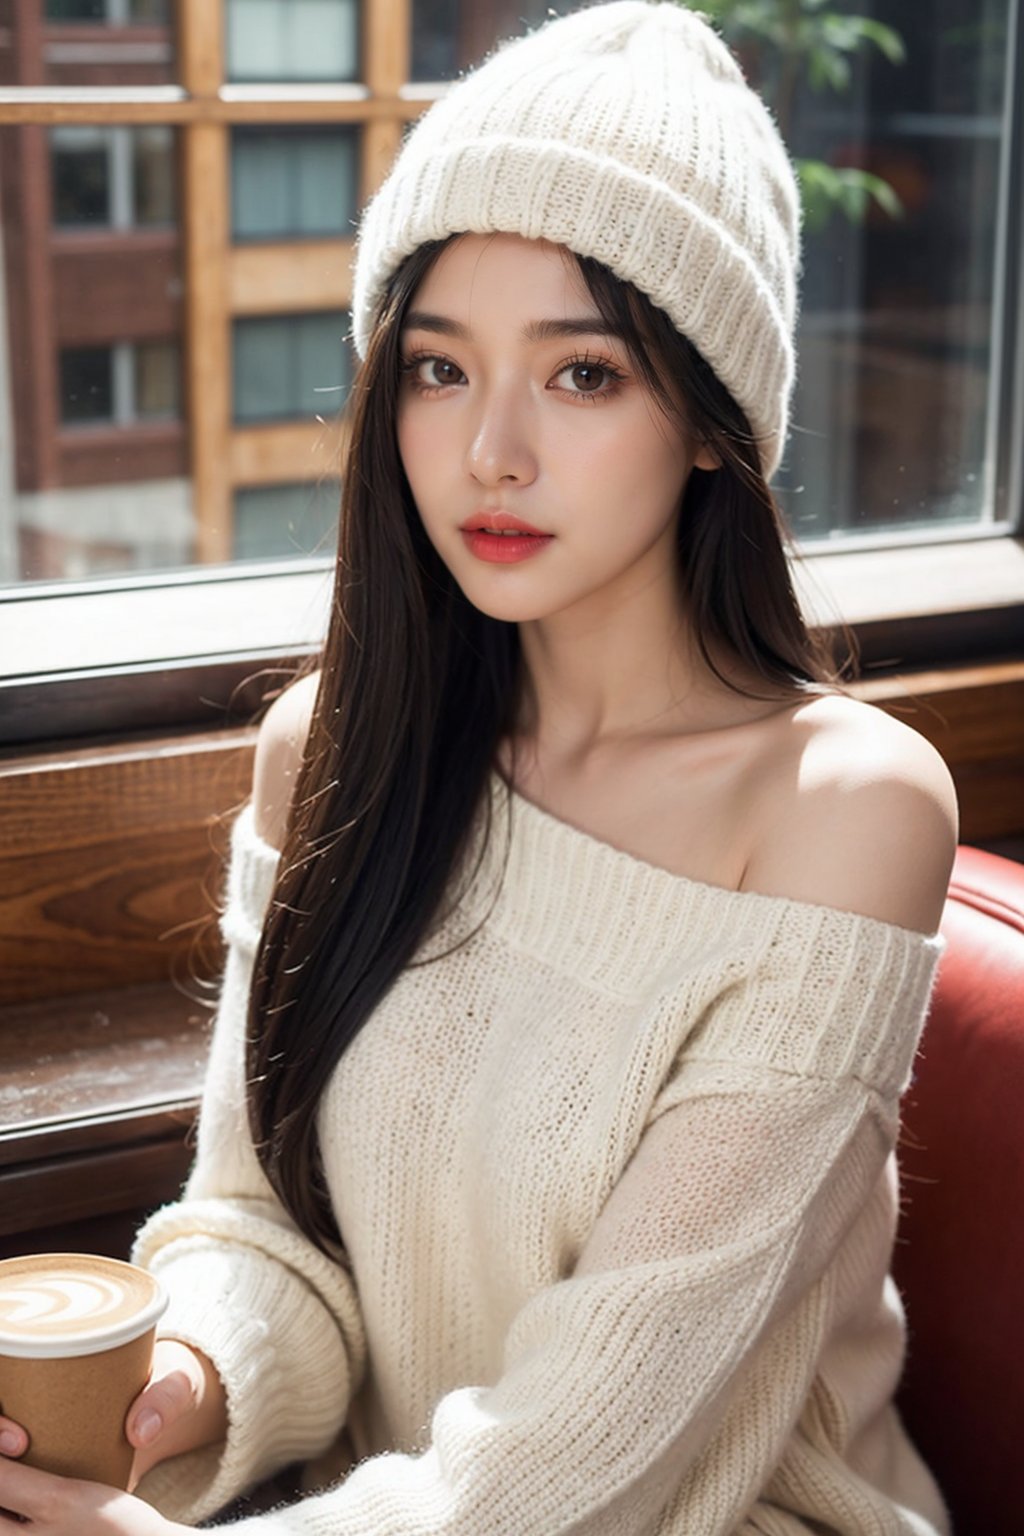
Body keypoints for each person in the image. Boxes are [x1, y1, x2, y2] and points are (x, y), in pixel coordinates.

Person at [0, 4, 958, 1532]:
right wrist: (185, 1379)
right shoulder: (330, 747)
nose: (490, 452)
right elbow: (266, 1228)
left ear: (714, 421)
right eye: (439, 370)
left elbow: (594, 1449)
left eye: (584, 376)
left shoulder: (843, 810)